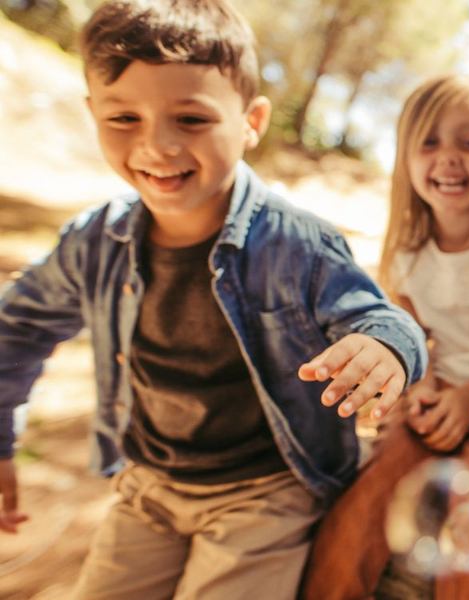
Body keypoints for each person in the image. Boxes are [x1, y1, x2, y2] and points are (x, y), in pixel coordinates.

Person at [0, 1, 427, 598]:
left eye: (192, 120)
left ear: (251, 122)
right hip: (150, 488)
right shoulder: (95, 242)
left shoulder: (296, 242)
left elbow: (383, 319)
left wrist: (385, 348)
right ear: (92, 113)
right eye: (124, 117)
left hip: (266, 491)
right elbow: (15, 329)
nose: (157, 146)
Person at [299, 74, 469, 600]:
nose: (447, 158)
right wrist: (420, 388)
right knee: (373, 489)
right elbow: (412, 339)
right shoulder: (407, 252)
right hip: (436, 391)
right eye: (429, 142)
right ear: (406, 159)